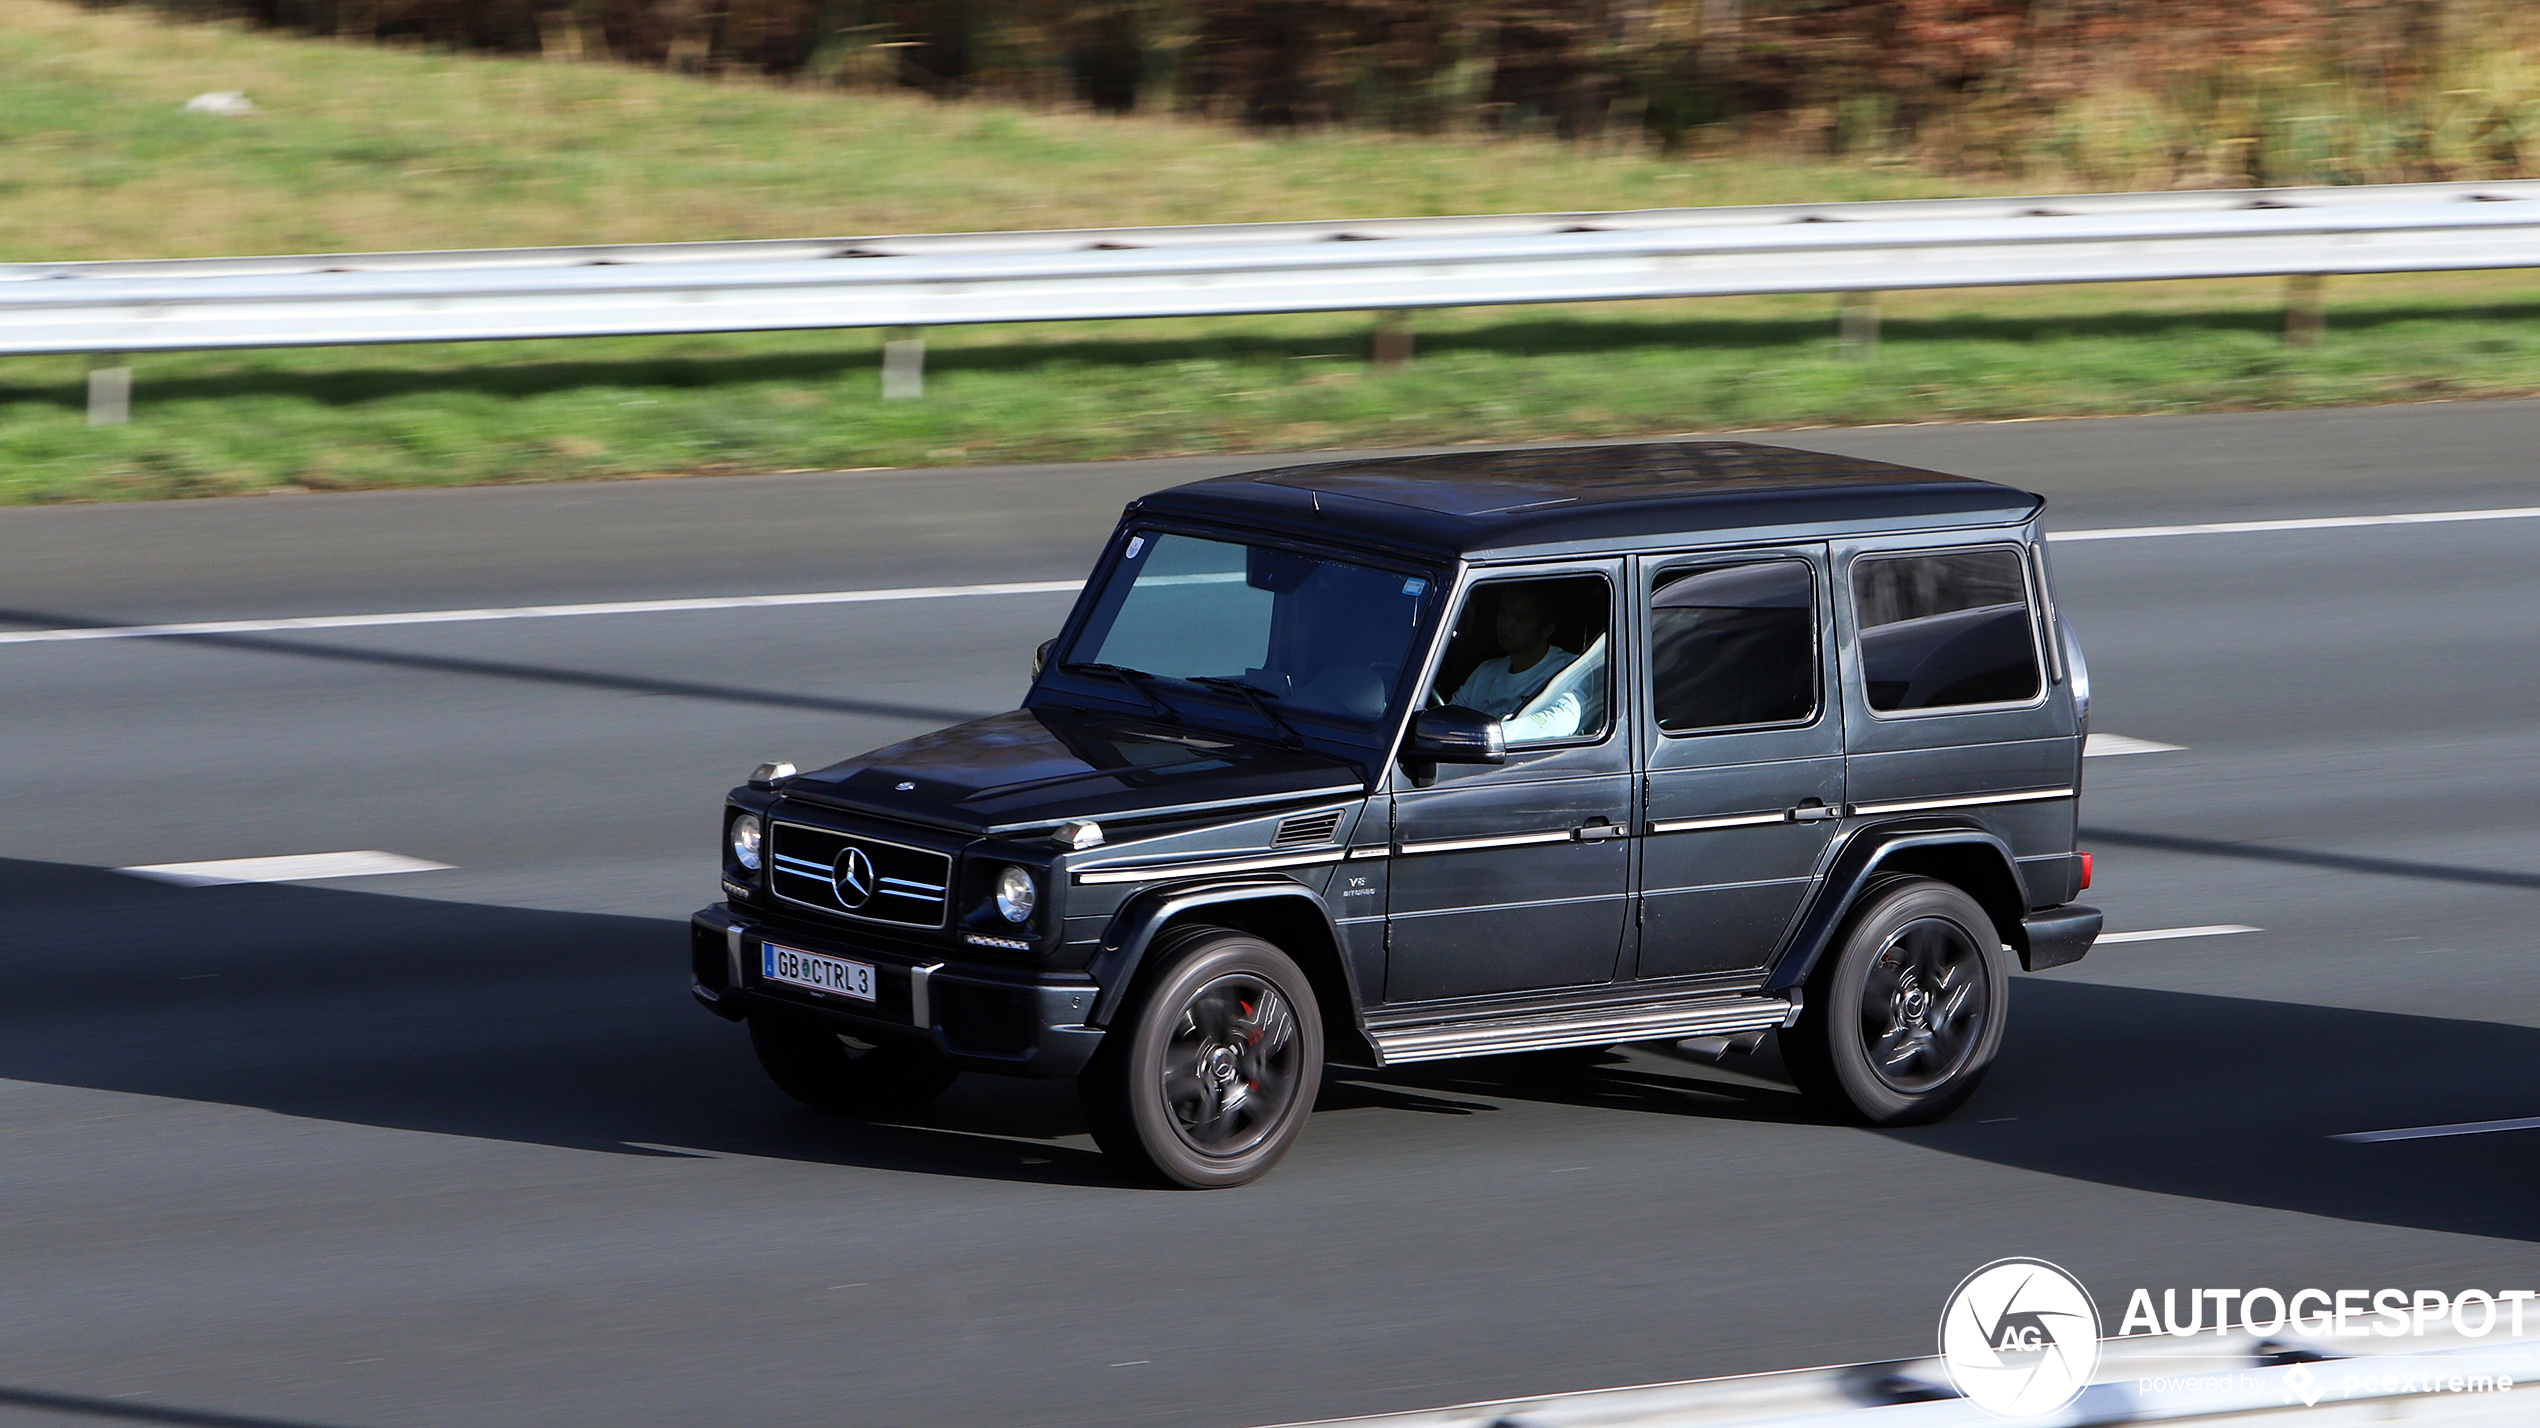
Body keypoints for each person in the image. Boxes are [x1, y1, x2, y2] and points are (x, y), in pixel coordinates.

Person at [1448, 585, 1574, 718]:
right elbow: (1449, 718)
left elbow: (1560, 720)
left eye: (1520, 618)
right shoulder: (1486, 672)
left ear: (1548, 629)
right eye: (1503, 612)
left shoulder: (1569, 670)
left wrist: (1497, 730)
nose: (1505, 624)